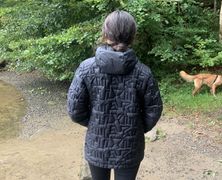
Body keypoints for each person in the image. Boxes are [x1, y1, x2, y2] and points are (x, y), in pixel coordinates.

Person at [67, 10, 163, 180]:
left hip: (97, 143)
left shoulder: (86, 68)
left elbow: (75, 110)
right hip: (130, 146)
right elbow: (153, 111)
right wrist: (136, 127)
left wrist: (96, 123)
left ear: (105, 33)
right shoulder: (143, 72)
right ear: (132, 36)